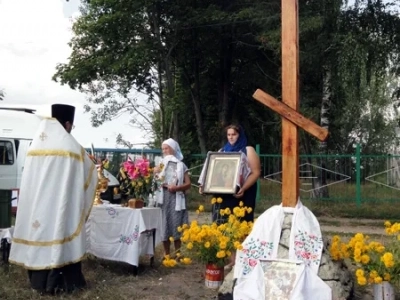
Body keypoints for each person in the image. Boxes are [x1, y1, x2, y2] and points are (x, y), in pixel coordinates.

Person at [9, 104, 98, 295]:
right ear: (67, 124)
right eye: (71, 126)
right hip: (60, 205)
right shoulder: (70, 148)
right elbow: (89, 171)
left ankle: (38, 281)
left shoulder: (35, 146)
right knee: (59, 234)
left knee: (39, 235)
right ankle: (62, 282)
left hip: (36, 207)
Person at [200, 124, 261, 223]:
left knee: (241, 223)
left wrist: (243, 188)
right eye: (228, 135)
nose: (231, 137)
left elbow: (256, 172)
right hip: (223, 195)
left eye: (234, 134)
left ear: (239, 135)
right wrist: (205, 185)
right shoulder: (222, 151)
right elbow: (214, 173)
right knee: (221, 222)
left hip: (242, 194)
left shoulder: (248, 150)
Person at [153, 138, 191, 258]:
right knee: (164, 224)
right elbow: (156, 181)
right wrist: (155, 174)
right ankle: (167, 253)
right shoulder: (160, 164)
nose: (165, 151)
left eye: (167, 148)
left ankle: (178, 253)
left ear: (173, 149)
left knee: (176, 224)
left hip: (176, 198)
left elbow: (188, 183)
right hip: (163, 197)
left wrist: (177, 187)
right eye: (163, 148)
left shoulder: (180, 165)